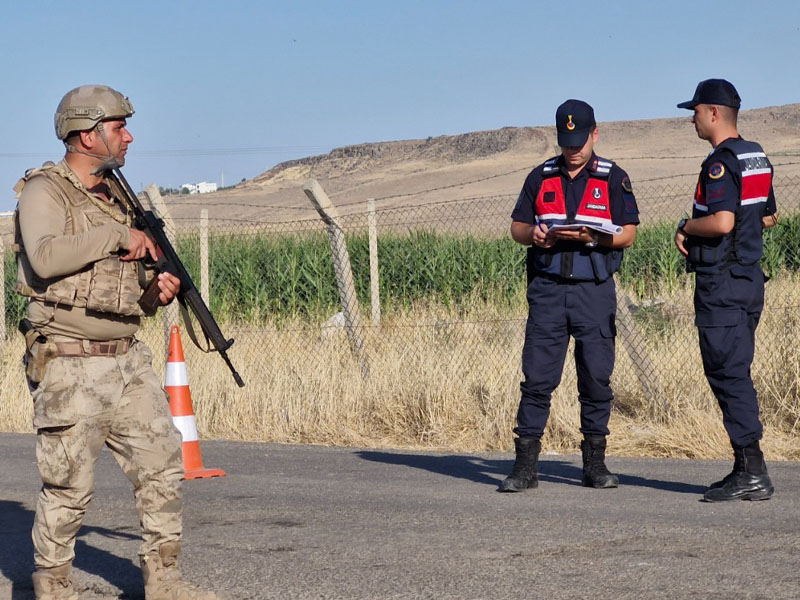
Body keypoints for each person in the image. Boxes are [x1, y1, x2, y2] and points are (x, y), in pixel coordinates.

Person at [14, 85, 223, 599]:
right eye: (117, 128)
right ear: (87, 134)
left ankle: (165, 580)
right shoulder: (47, 191)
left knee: (163, 469)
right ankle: (54, 585)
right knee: (68, 487)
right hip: (69, 361)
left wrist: (156, 293)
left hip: (128, 360)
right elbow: (42, 258)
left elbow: (131, 294)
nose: (128, 136)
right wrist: (116, 236)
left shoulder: (120, 198)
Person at [500, 99, 640, 492]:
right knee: (537, 379)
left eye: (580, 139)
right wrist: (535, 235)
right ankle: (525, 467)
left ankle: (594, 464)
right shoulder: (540, 176)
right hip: (547, 291)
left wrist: (594, 236)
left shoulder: (614, 177)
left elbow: (628, 233)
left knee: (596, 378)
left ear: (595, 134)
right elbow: (517, 227)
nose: (573, 148)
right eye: (566, 140)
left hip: (593, 292)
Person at [675, 79, 778, 502]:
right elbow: (768, 217)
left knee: (728, 373)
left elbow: (720, 222)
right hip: (749, 279)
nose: (693, 119)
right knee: (735, 371)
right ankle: (743, 467)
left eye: (695, 111)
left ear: (714, 112)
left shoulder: (719, 163)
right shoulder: (755, 156)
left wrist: (685, 227)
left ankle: (752, 469)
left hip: (723, 283)